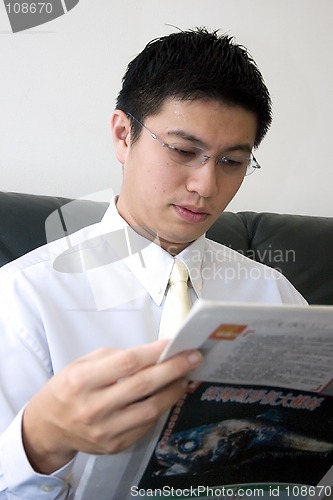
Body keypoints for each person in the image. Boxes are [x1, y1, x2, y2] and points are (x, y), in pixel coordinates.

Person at [0, 28, 306, 498]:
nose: (206, 185)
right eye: (184, 151)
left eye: (231, 162)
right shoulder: (24, 297)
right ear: (124, 135)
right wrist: (39, 440)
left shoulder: (276, 297)